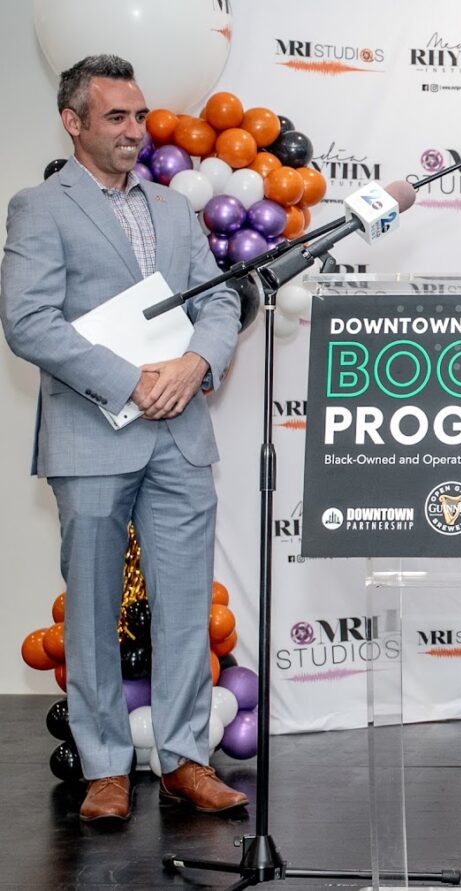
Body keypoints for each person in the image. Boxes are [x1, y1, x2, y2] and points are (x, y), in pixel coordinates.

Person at [1, 55, 245, 822]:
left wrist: (197, 361)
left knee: (180, 606)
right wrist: (129, 379)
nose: (135, 131)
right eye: (116, 117)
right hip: (91, 434)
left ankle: (182, 758)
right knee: (95, 606)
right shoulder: (40, 207)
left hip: (180, 435)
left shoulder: (175, 209)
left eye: (139, 116)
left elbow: (218, 301)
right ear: (74, 123)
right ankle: (105, 766)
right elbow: (28, 320)